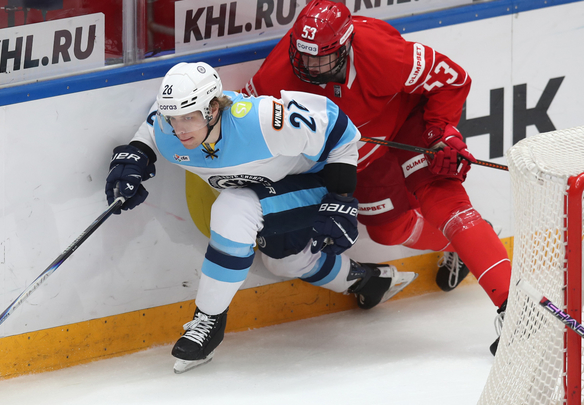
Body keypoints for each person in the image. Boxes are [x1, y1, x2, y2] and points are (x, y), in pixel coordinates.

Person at [105, 61, 417, 373]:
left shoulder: (262, 121)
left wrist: (341, 198)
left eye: (189, 117)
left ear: (213, 108)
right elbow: (150, 129)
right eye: (173, 118)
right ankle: (369, 282)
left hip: (318, 183)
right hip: (271, 189)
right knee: (286, 262)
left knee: (234, 208)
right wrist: (133, 159)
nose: (180, 129)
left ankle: (208, 321)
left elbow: (340, 130)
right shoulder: (167, 128)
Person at [242, 0, 511, 355]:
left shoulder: (381, 53)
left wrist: (439, 132)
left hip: (407, 123)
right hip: (355, 159)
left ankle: (515, 310)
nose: (308, 65)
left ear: (346, 46)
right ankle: (466, 243)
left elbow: (453, 79)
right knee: (388, 231)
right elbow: (244, 126)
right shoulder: (275, 76)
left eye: (320, 57)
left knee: (444, 200)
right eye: (302, 54)